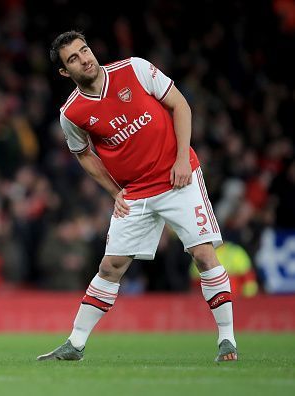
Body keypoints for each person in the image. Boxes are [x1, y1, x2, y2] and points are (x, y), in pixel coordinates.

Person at [37, 31, 237, 362]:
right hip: (136, 192)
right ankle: (75, 343)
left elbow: (180, 105)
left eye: (84, 49)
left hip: (178, 178)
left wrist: (183, 158)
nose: (84, 58)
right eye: (73, 58)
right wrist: (116, 192)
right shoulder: (71, 113)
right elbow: (84, 155)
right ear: (64, 72)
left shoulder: (134, 69)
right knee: (111, 265)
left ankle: (227, 340)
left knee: (203, 255)